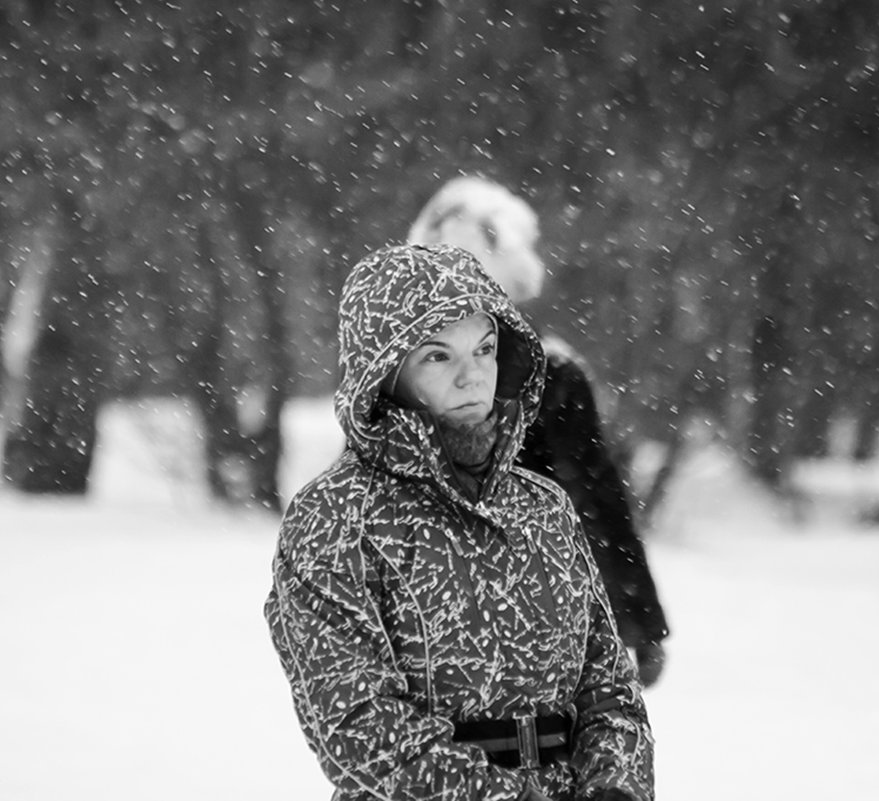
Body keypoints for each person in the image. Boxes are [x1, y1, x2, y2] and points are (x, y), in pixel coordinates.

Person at [264, 243, 653, 801]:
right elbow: (359, 728)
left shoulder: (543, 507)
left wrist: (616, 787)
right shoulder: (335, 518)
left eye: (486, 349)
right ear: (384, 370)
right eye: (438, 356)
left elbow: (608, 688)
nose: (473, 378)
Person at [407, 177, 669, 686]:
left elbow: (595, 496)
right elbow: (596, 496)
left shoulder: (546, 374)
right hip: (470, 627)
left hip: (512, 628)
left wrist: (638, 619)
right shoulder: (405, 378)